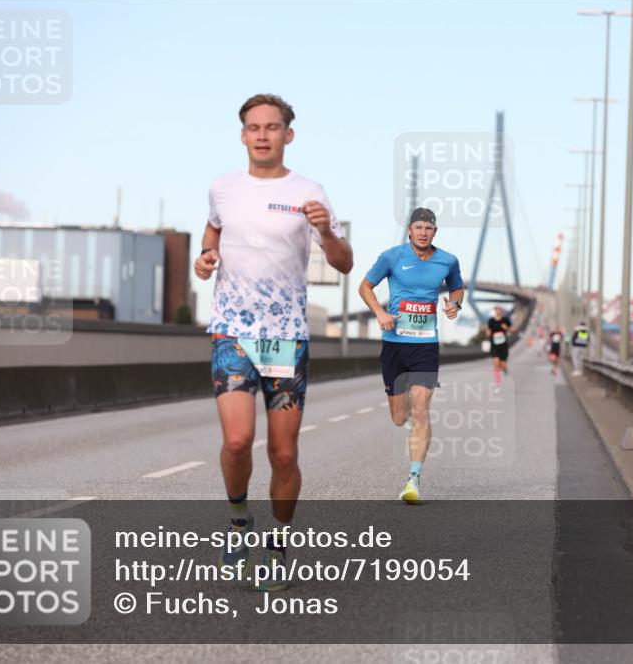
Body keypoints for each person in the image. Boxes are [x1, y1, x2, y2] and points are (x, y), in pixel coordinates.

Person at [194, 93, 352, 590]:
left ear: (289, 134)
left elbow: (345, 262)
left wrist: (327, 233)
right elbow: (213, 231)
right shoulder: (223, 188)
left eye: (272, 126)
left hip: (285, 337)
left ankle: (279, 546)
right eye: (254, 127)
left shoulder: (311, 191)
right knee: (238, 441)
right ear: (243, 135)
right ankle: (239, 522)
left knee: (283, 454)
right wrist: (204, 256)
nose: (262, 134)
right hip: (233, 332)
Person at [358, 207, 464, 504]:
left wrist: (456, 305)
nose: (423, 232)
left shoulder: (447, 260)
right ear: (409, 230)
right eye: (418, 227)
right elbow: (365, 286)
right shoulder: (391, 257)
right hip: (394, 344)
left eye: (428, 228)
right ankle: (405, 416)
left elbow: (457, 287)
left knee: (421, 408)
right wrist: (379, 312)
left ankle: (413, 479)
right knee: (398, 416)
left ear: (434, 232)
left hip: (425, 345)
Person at [487, 305, 513, 388]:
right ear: (495, 311)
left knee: (503, 365)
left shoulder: (505, 320)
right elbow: (488, 330)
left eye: (500, 310)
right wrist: (488, 333)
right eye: (497, 310)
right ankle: (497, 383)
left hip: (503, 345)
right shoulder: (491, 320)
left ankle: (505, 369)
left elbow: (513, 330)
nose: (498, 311)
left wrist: (506, 328)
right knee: (495, 363)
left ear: (502, 311)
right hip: (494, 344)